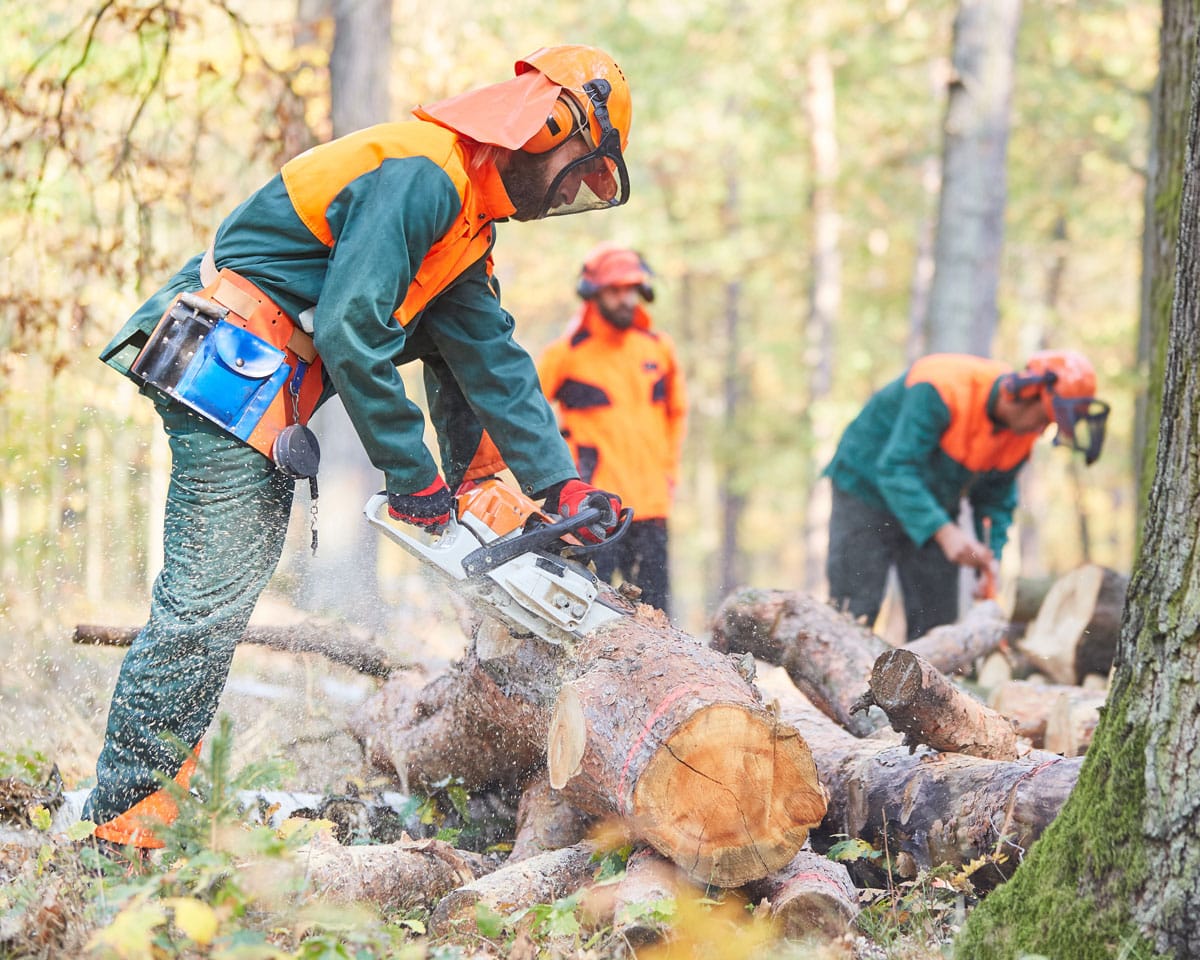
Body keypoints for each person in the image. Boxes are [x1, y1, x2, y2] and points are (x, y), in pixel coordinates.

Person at [85, 45, 634, 849]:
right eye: (575, 169)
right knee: (207, 604)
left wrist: (561, 488)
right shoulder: (424, 176)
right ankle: (123, 820)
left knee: (218, 601)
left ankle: (158, 802)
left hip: (262, 378)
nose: (569, 194)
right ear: (546, 127)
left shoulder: (466, 225)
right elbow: (349, 325)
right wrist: (413, 477)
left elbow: (491, 359)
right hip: (225, 360)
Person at [823, 350, 1109, 641]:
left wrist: (990, 561)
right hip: (866, 490)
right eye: (1045, 418)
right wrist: (946, 533)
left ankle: (925, 683)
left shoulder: (1021, 437)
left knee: (937, 620)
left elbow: (996, 500)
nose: (1043, 429)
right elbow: (895, 468)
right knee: (855, 607)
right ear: (1027, 394)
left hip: (933, 502)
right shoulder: (942, 388)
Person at [537, 244, 687, 612]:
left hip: (651, 507)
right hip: (593, 509)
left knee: (655, 615)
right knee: (588, 609)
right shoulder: (567, 354)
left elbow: (677, 413)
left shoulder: (658, 349)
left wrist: (667, 471)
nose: (624, 299)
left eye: (630, 289)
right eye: (614, 290)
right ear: (594, 292)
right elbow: (527, 409)